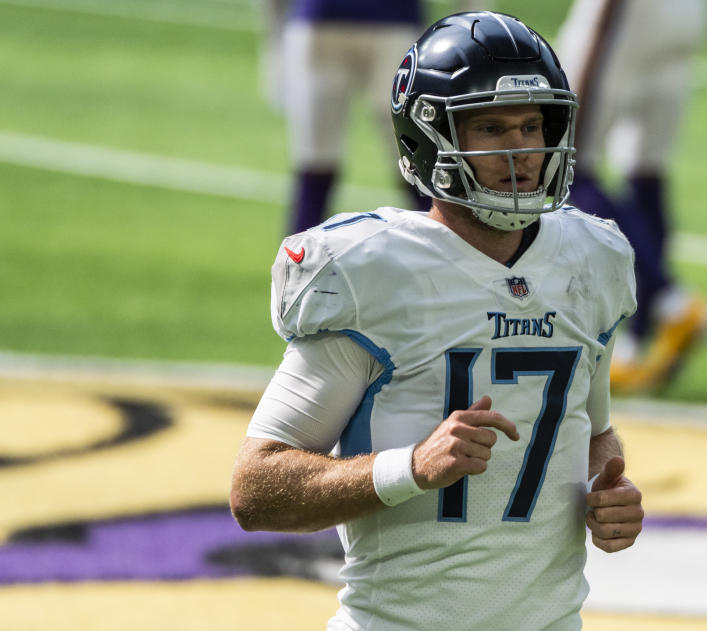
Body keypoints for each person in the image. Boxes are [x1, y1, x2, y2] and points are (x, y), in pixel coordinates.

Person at [231, 11, 645, 631]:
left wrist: (607, 494)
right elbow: (256, 489)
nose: (522, 151)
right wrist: (413, 466)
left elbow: (591, 432)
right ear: (431, 138)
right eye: (491, 128)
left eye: (533, 125)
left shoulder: (593, 259)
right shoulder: (372, 270)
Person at [556, 0, 707, 392]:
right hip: (686, 16)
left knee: (567, 161)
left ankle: (670, 300)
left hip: (625, 16)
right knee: (646, 171)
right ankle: (634, 344)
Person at [257, 0, 430, 235]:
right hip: (347, 23)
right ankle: (295, 265)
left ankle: (295, 265)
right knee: (317, 167)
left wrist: (275, 41)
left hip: (334, 24)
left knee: (417, 163)